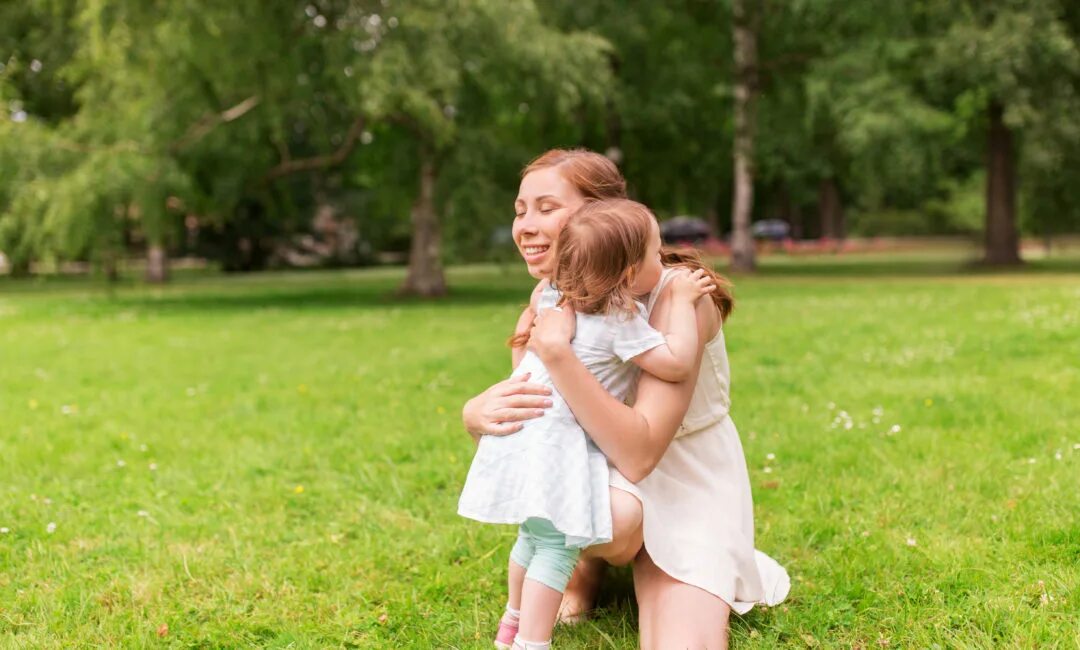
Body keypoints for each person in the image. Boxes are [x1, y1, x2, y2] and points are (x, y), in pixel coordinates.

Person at [462, 148, 790, 649]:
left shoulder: (678, 296)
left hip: (678, 470)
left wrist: (559, 356)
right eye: (520, 209)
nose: (525, 226)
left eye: (546, 208)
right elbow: (541, 412)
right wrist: (475, 414)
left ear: (600, 213)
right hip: (594, 458)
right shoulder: (553, 294)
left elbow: (639, 455)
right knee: (587, 504)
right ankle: (581, 565)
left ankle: (605, 556)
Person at [459, 199, 717, 650]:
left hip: (529, 436)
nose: (665, 263)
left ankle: (511, 621)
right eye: (656, 257)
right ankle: (530, 642)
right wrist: (679, 299)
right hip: (562, 446)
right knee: (556, 547)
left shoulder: (554, 299)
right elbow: (675, 363)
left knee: (531, 537)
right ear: (626, 275)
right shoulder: (620, 320)